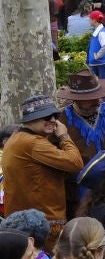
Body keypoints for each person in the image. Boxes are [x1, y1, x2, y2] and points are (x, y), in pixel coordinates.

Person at [3, 94, 85, 224]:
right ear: (30, 119)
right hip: (43, 224)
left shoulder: (16, 137)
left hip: (22, 221)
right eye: (47, 116)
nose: (53, 120)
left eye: (55, 116)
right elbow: (75, 163)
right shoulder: (33, 143)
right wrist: (64, 136)